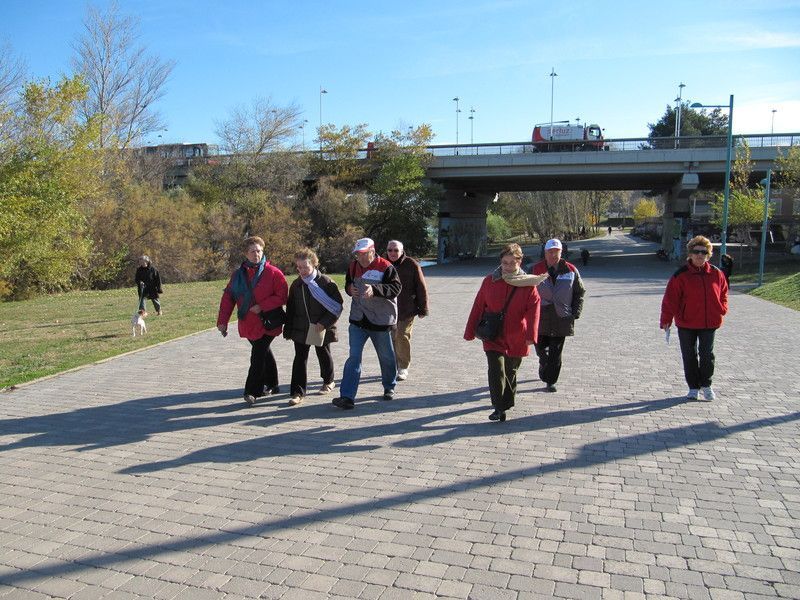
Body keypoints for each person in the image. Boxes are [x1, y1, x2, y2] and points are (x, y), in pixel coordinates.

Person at [465, 243, 543, 422]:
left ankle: (506, 402)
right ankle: (498, 407)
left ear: (520, 261)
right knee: (495, 370)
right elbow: (478, 306)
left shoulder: (528, 284)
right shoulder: (490, 280)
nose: (507, 267)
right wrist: (470, 331)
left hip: (517, 336)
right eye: (504, 263)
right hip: (493, 334)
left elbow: (534, 310)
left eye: (511, 263)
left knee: (510, 371)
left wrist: (532, 335)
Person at [217, 236, 288, 407]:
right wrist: (222, 321)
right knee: (263, 352)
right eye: (252, 251)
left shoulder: (273, 273)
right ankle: (273, 383)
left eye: (259, 251)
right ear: (245, 254)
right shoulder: (238, 275)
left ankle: (252, 391)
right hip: (248, 323)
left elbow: (283, 296)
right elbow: (228, 298)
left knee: (257, 355)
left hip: (268, 322)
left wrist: (262, 306)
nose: (256, 254)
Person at [333, 238, 402, 410]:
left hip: (380, 321)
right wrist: (350, 289)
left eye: (363, 254)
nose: (360, 258)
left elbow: (396, 288)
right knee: (354, 357)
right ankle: (347, 397)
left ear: (372, 251)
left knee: (386, 356)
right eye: (357, 254)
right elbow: (348, 283)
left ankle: (389, 386)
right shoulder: (353, 266)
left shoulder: (386, 267)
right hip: (358, 320)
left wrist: (376, 290)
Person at [660, 235, 728, 401]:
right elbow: (670, 299)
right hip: (687, 322)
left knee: (707, 354)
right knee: (689, 355)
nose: (700, 255)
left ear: (708, 254)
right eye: (696, 251)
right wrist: (666, 320)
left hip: (709, 322)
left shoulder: (716, 273)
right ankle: (693, 387)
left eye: (703, 252)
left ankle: (706, 385)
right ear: (690, 254)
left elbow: (724, 293)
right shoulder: (680, 275)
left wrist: (721, 308)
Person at [283, 248, 343, 405]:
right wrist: (288, 329)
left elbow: (337, 307)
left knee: (323, 353)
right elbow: (291, 309)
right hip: (300, 328)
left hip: (320, 327)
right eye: (299, 267)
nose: (302, 271)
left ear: (314, 265)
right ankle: (298, 392)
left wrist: (324, 323)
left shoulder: (326, 283)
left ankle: (328, 380)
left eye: (305, 267)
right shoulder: (296, 285)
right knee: (300, 359)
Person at [531, 238, 586, 393]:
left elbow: (579, 292)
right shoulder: (535, 269)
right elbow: (526, 292)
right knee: (542, 349)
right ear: (545, 252)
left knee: (555, 352)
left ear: (561, 252)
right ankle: (543, 363)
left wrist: (575, 312)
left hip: (562, 317)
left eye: (556, 252)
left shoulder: (571, 269)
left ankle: (550, 381)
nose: (553, 255)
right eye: (550, 252)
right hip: (541, 317)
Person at [385, 240, 429, 381]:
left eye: (396, 250)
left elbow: (421, 287)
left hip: (406, 309)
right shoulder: (381, 264)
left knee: (401, 336)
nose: (392, 253)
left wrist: (423, 308)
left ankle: (403, 366)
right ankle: (394, 364)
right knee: (392, 338)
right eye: (390, 250)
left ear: (402, 251)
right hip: (387, 310)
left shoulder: (411, 264)